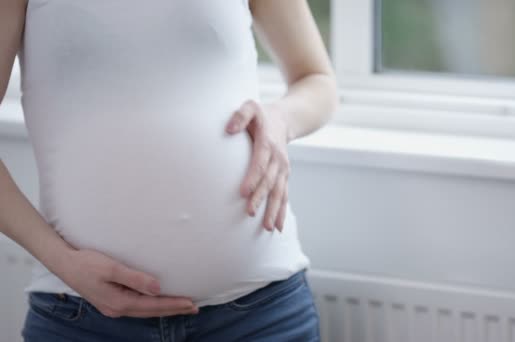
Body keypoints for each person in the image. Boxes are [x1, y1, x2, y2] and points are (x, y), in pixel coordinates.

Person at [0, 0, 338, 340]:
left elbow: (316, 79)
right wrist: (60, 261)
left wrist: (283, 119)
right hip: (82, 320)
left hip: (261, 314)